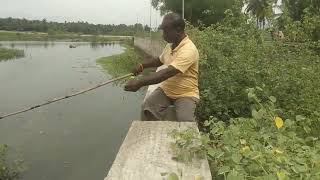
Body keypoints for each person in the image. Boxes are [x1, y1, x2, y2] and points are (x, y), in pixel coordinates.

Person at [124, 13, 199, 122]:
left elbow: (166, 73)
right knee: (147, 108)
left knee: (185, 121)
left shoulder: (189, 50)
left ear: (178, 30)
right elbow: (159, 60)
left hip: (186, 93)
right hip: (166, 90)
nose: (163, 35)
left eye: (166, 31)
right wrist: (142, 65)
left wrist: (139, 82)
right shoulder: (170, 46)